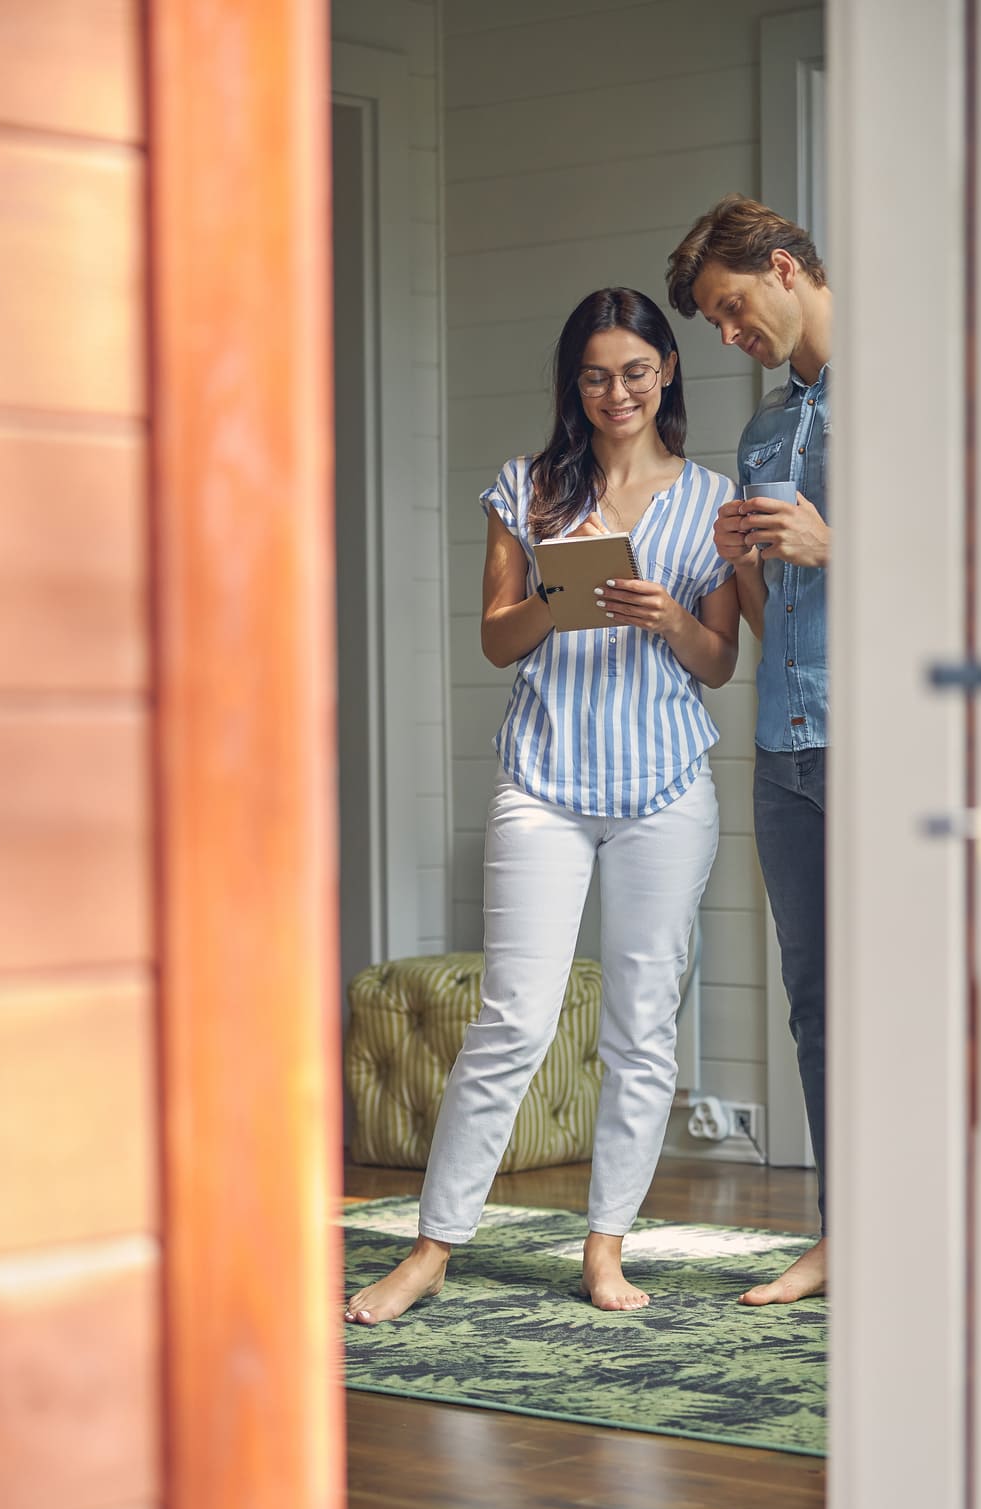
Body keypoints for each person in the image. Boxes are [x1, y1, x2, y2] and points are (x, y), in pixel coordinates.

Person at [345, 288, 740, 1325]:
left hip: (664, 788)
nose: (617, 393)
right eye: (595, 375)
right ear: (574, 384)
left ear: (666, 372)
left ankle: (605, 1247)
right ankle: (431, 1248)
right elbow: (494, 639)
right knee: (512, 1019)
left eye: (635, 372)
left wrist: (667, 618)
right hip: (543, 782)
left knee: (642, 1028)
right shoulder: (526, 487)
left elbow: (718, 660)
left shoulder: (713, 500)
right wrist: (553, 605)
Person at [666, 195, 832, 1306]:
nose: (731, 336)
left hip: (885, 751)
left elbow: (971, 583)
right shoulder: (765, 434)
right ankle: (843, 1233)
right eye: (716, 324)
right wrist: (743, 563)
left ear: (781, 267)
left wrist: (834, 544)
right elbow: (775, 626)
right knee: (814, 1001)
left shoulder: (913, 395)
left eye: (733, 310)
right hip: (785, 751)